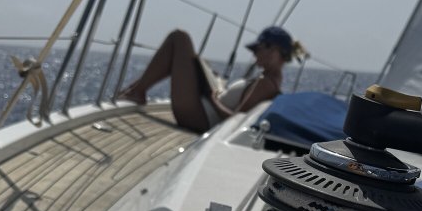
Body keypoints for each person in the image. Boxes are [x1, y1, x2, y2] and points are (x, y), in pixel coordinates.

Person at [117, 25, 302, 131]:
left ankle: (137, 91)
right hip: (202, 112)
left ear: (276, 51)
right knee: (189, 56)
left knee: (180, 38)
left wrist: (213, 100)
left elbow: (236, 121)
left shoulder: (266, 84)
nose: (255, 54)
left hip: (202, 118)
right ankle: (137, 89)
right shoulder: (269, 80)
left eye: (259, 48)